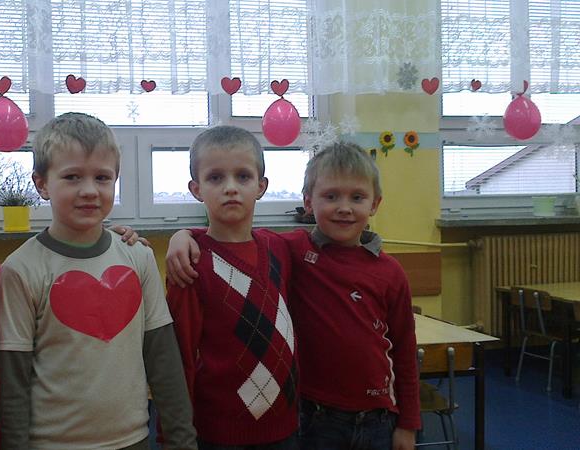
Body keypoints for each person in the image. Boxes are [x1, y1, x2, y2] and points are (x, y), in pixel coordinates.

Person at [167, 142, 420, 450]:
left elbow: (405, 350)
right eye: (331, 196)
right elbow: (231, 240)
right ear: (308, 202)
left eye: (357, 197)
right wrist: (183, 235)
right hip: (312, 416)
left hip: (377, 417)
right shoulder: (294, 249)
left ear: (375, 204)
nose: (344, 207)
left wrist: (409, 422)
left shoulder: (390, 272)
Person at [0, 112, 197, 449]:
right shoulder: (20, 268)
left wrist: (182, 441)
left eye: (102, 177)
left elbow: (163, 359)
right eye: (72, 177)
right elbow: (13, 380)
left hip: (133, 440)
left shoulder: (138, 256)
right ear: (42, 184)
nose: (89, 190)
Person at [166, 125, 298, 449]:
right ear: (196, 189)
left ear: (261, 186)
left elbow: (332, 236)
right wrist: (172, 436)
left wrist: (186, 232)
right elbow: (179, 357)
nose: (230, 188)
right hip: (219, 434)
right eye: (215, 178)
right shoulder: (191, 264)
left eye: (243, 176)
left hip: (286, 428)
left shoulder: (280, 248)